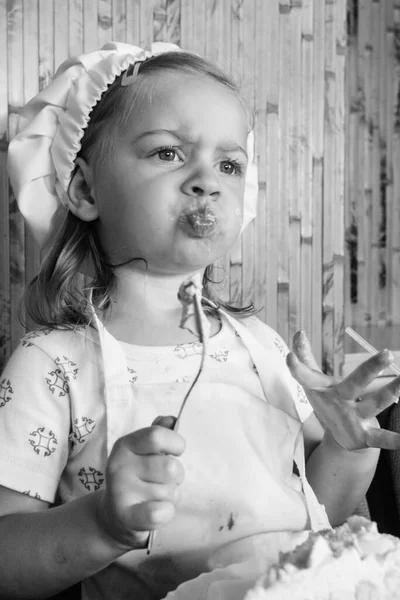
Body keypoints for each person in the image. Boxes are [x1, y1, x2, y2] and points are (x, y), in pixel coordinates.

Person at [1, 41, 400, 600]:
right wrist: (102, 524)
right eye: (168, 153)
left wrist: (347, 447)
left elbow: (318, 516)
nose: (206, 179)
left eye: (229, 164)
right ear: (86, 188)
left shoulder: (263, 347)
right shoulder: (52, 365)